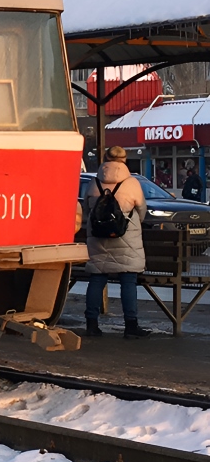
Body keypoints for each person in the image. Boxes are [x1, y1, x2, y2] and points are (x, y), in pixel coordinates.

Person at [81, 145, 151, 338]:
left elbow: (87, 210)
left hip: (98, 238)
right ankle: (130, 326)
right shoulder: (132, 183)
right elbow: (142, 211)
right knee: (128, 281)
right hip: (126, 239)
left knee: (97, 279)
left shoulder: (94, 183)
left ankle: (92, 325)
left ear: (105, 158)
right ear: (125, 160)